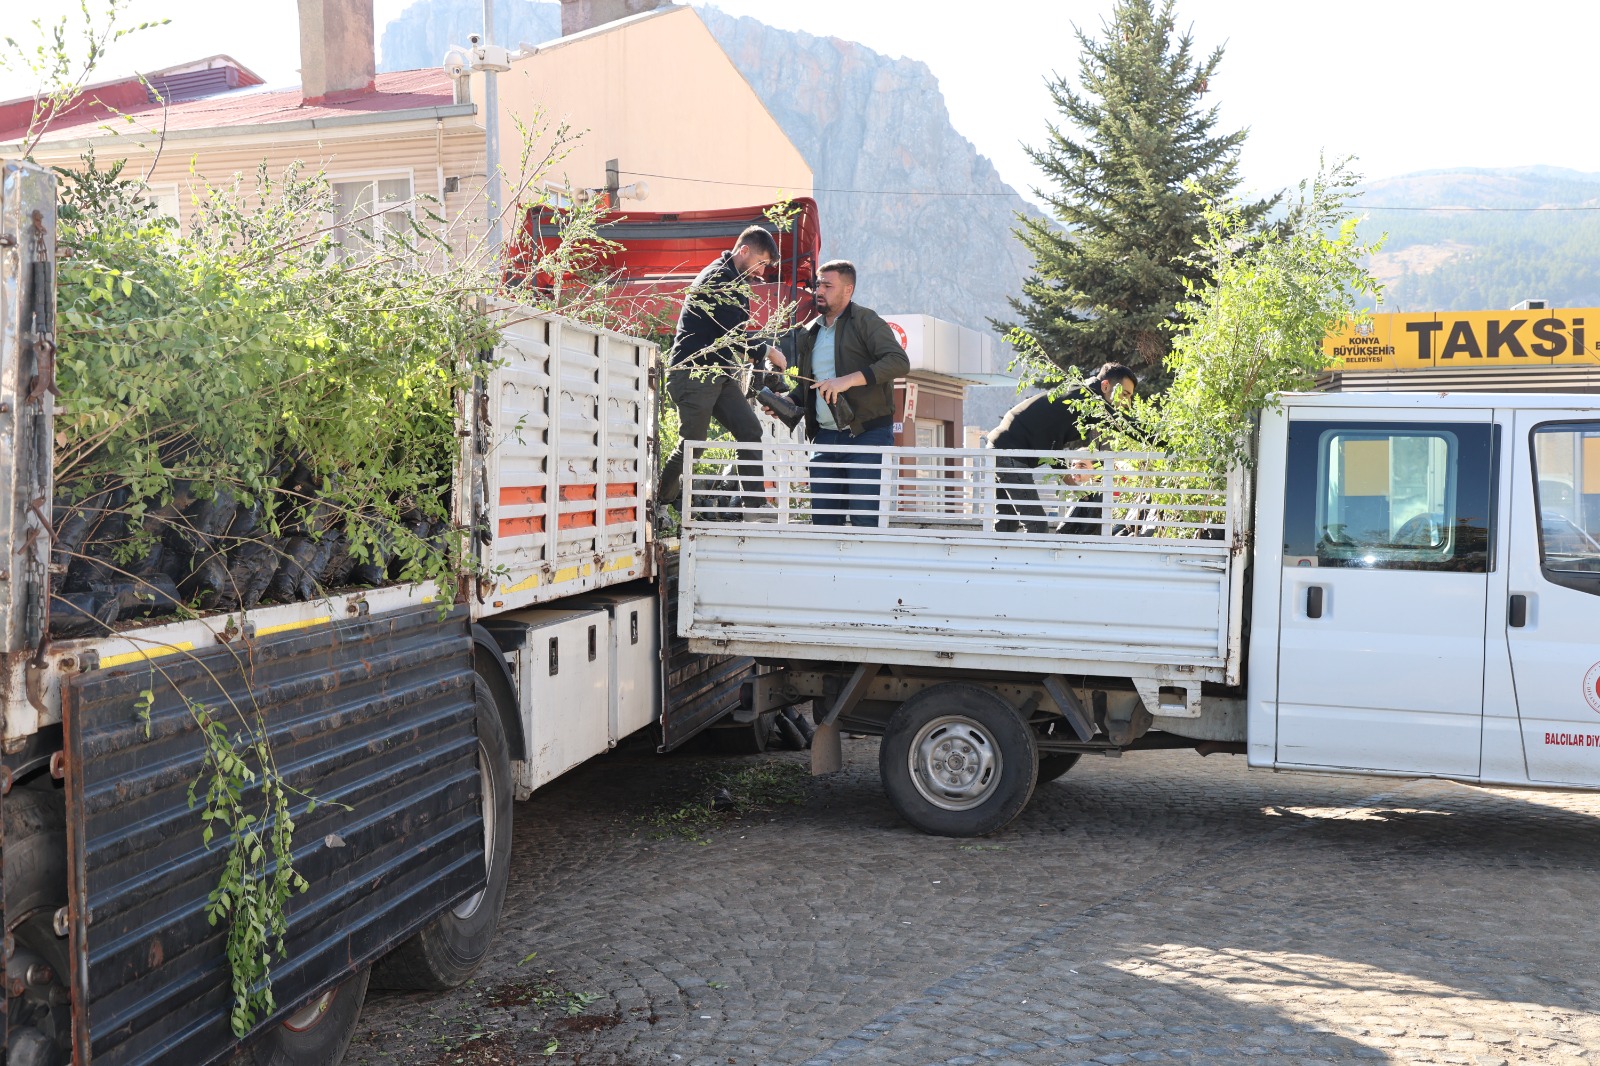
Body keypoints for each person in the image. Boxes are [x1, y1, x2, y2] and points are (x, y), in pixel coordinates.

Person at [658, 225, 787, 516]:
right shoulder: (718, 277)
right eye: (761, 263)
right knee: (694, 444)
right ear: (744, 251)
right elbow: (730, 334)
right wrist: (768, 351)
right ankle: (661, 502)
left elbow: (735, 334)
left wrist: (757, 361)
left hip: (718, 372)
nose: (761, 272)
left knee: (750, 430)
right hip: (693, 373)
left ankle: (755, 506)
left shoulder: (735, 280)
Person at [775, 260, 910, 527]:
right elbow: (810, 386)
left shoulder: (867, 321)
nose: (819, 291)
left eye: (828, 286)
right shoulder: (810, 331)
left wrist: (847, 381)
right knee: (824, 524)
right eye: (818, 285)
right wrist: (787, 401)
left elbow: (899, 362)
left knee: (864, 522)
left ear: (848, 290)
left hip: (867, 436)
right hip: (824, 438)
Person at [985, 362, 1137, 533]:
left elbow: (1052, 449)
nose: (1128, 402)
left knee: (1007, 522)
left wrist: (1075, 488)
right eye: (1124, 394)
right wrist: (1157, 439)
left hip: (1000, 446)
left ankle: (996, 551)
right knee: (1037, 526)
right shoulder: (1087, 400)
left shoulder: (1078, 392)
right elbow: (1129, 427)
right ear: (1105, 386)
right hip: (1010, 451)